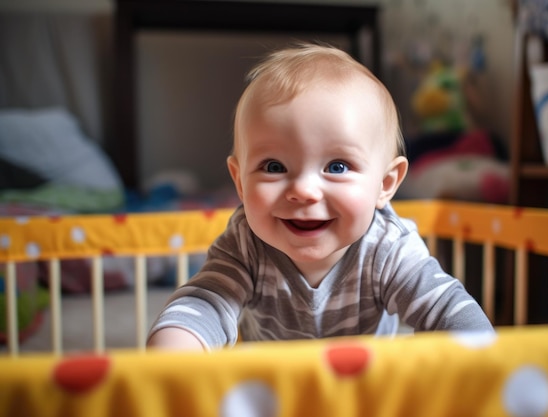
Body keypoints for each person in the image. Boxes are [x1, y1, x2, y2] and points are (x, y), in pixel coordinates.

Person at [147, 43, 494, 351]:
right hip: (271, 390)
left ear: (385, 184)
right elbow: (207, 299)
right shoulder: (245, 244)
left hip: (363, 393)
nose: (303, 190)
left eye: (338, 166)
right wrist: (177, 347)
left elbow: (444, 305)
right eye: (273, 166)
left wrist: (478, 354)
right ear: (239, 181)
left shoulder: (388, 247)